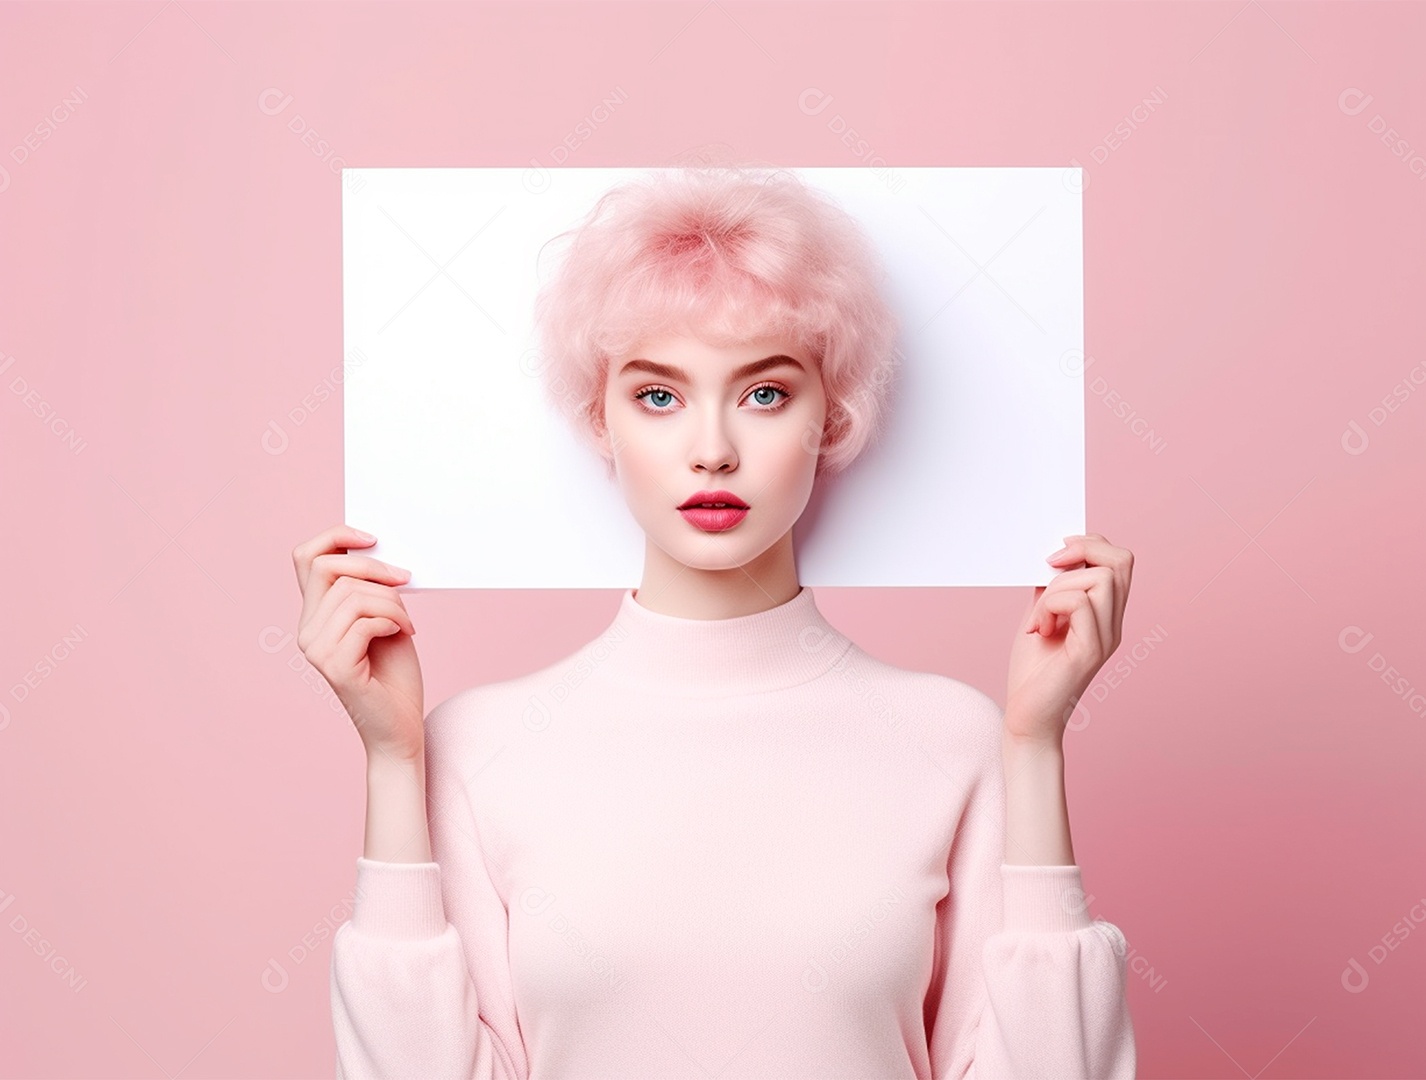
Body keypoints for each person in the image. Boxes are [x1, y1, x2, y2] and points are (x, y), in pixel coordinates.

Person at [292, 164, 1138, 1079]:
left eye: (765, 393)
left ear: (833, 415)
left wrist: (1036, 745)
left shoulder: (960, 739)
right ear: (599, 420)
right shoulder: (473, 747)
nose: (712, 450)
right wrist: (392, 760)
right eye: (658, 396)